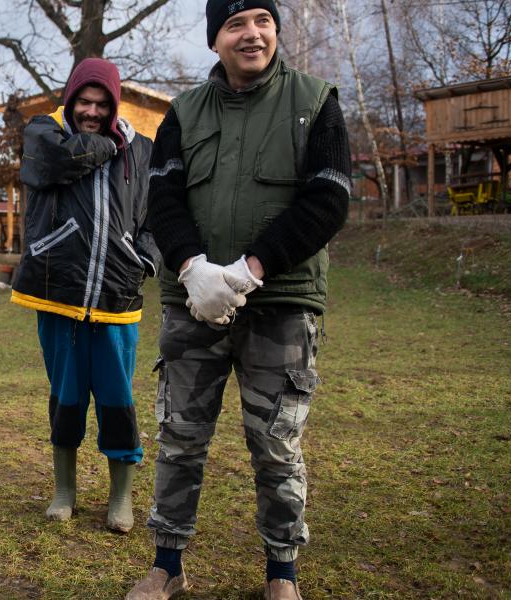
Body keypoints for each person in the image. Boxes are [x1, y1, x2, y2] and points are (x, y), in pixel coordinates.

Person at [125, 1, 350, 598]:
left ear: (275, 29)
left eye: (262, 19)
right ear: (214, 39)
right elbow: (162, 198)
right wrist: (193, 269)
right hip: (192, 302)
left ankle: (282, 574)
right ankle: (166, 566)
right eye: (235, 23)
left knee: (276, 443)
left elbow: (329, 199)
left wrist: (250, 270)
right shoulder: (182, 112)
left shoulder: (315, 101)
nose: (251, 34)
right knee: (179, 436)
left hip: (280, 304)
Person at [10, 58, 158, 533]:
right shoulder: (43, 134)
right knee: (66, 395)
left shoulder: (143, 150)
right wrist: (112, 139)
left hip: (118, 292)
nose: (91, 112)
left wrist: (144, 256)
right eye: (84, 102)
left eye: (102, 104)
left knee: (118, 398)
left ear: (114, 104)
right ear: (70, 99)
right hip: (58, 289)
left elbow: (157, 212)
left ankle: (121, 497)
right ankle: (64, 491)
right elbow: (56, 165)